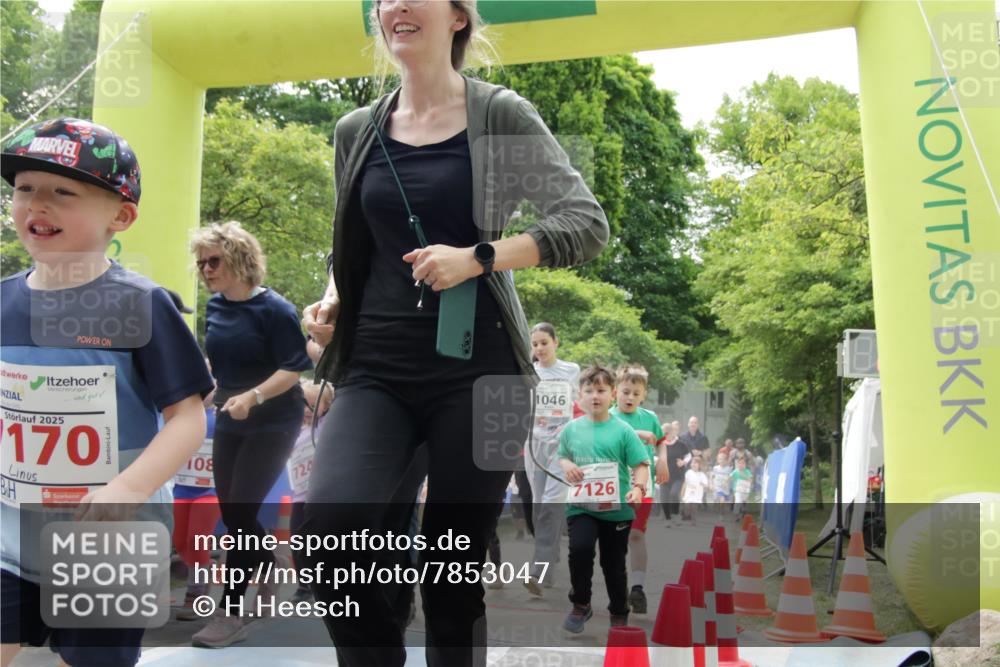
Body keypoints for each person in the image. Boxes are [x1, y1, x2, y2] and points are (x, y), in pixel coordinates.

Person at [297, 1, 609, 664]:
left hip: (484, 373)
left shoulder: (499, 116)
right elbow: (350, 246)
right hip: (373, 370)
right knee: (328, 533)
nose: (396, 6)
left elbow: (584, 222)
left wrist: (480, 256)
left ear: (459, 16)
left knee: (452, 570)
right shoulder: (357, 129)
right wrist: (330, 300)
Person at [1, 118, 213, 667]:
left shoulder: (139, 305)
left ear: (121, 215)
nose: (36, 205)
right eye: (25, 188)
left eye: (62, 192)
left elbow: (188, 417)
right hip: (8, 542)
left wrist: (127, 487)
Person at [189, 222, 313, 648]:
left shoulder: (276, 310)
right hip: (230, 415)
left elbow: (294, 367)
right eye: (201, 262)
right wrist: (206, 393)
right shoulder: (217, 308)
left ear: (239, 259)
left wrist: (254, 396)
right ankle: (270, 559)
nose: (205, 269)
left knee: (240, 512)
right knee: (234, 512)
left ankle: (230, 612)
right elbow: (220, 365)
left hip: (274, 419)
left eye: (213, 260)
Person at [558, 365, 649, 634]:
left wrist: (638, 489)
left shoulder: (622, 431)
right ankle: (581, 603)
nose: (595, 396)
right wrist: (566, 466)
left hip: (616, 511)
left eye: (601, 390)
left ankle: (619, 611)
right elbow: (562, 455)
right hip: (581, 506)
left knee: (613, 565)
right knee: (580, 551)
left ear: (612, 394)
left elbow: (641, 464)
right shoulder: (571, 430)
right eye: (589, 390)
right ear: (579, 396)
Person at [523, 322, 580, 596]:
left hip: (562, 448)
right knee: (538, 507)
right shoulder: (528, 372)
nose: (539, 349)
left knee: (551, 506)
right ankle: (550, 557)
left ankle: (538, 570)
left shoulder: (572, 371)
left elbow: (586, 401)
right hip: (534, 447)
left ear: (556, 342)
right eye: (534, 344)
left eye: (544, 342)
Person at [609, 365, 666, 615]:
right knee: (613, 540)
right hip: (613, 485)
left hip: (643, 485)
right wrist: (637, 433)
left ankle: (638, 588)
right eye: (626, 392)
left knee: (636, 535)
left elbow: (661, 441)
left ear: (643, 395)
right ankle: (616, 590)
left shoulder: (650, 417)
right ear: (615, 392)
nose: (630, 397)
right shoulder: (607, 415)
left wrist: (662, 459)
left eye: (635, 393)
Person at [172, 390, 223, 621]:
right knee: (180, 542)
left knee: (196, 541)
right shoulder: (176, 419)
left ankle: (195, 593)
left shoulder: (220, 418)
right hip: (182, 488)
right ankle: (206, 567)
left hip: (211, 490)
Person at [287, 380, 333, 604]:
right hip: (300, 494)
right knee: (297, 540)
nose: (308, 411)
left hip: (322, 495)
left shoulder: (327, 425)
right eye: (305, 405)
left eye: (314, 406)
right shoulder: (298, 432)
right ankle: (304, 585)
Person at [662, 420, 688, 526]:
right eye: (664, 433)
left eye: (667, 433)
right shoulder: (661, 444)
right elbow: (654, 455)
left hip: (677, 475)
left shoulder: (680, 444)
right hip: (664, 475)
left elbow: (688, 456)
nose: (666, 435)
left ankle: (676, 515)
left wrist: (683, 462)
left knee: (673, 493)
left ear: (672, 432)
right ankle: (667, 519)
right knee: (664, 498)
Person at [681, 456, 709, 525]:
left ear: (699, 465)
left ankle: (693, 521)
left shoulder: (701, 475)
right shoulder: (688, 472)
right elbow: (685, 482)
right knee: (687, 506)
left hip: (697, 494)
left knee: (694, 508)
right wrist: (682, 492)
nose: (693, 464)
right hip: (688, 493)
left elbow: (706, 484)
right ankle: (684, 513)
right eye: (692, 463)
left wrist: (702, 484)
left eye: (696, 463)